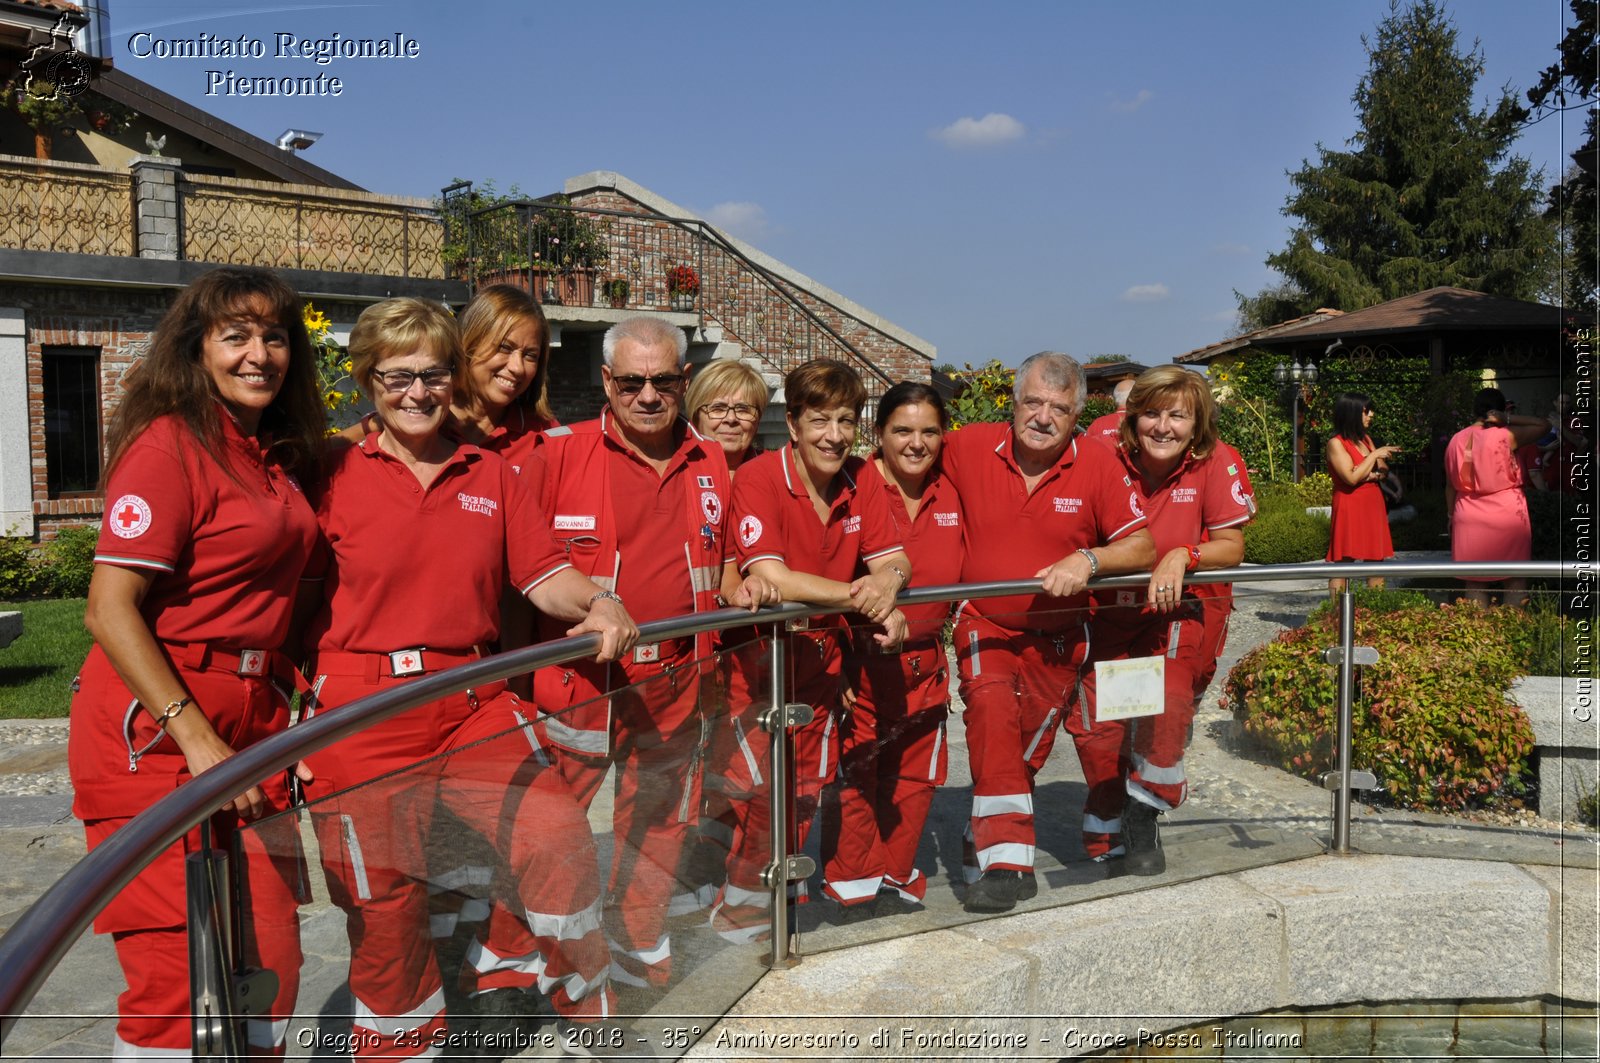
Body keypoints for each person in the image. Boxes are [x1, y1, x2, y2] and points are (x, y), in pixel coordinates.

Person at [298, 298, 637, 1057]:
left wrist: (601, 598)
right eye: (399, 375)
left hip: (470, 695)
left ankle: (595, 1020)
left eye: (434, 374)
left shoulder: (488, 470)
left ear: (454, 378)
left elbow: (545, 574)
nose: (418, 391)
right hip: (361, 706)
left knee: (555, 836)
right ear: (367, 379)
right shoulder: (329, 468)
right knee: (385, 907)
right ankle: (401, 1048)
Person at [65, 266, 325, 1056]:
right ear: (197, 348)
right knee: (175, 978)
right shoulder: (169, 445)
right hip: (156, 730)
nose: (259, 354)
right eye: (235, 335)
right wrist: (195, 735)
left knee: (268, 959)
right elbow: (108, 606)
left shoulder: (267, 452)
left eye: (274, 336)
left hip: (250, 724)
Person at [513, 318, 777, 993]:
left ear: (683, 381)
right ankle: (514, 970)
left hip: (678, 682)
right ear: (608, 382)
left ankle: (636, 950)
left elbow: (707, 562)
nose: (648, 395)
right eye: (632, 382)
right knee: (544, 836)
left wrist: (741, 584)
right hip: (581, 684)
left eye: (663, 381)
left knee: (658, 824)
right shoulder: (554, 452)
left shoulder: (710, 460)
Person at [941, 351, 1155, 913]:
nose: (1042, 416)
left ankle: (981, 842)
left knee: (1023, 752)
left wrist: (1088, 559)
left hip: (1060, 638)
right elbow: (899, 464)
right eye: (1032, 402)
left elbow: (1143, 545)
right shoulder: (966, 446)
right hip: (985, 624)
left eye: (1058, 408)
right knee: (991, 717)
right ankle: (1009, 865)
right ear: (1012, 404)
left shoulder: (1100, 465)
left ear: (1077, 413)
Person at [710, 358, 914, 940]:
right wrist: (864, 598)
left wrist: (886, 586)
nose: (834, 435)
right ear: (793, 423)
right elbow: (776, 574)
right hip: (759, 665)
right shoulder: (758, 477)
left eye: (846, 420)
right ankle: (740, 914)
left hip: (821, 665)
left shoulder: (863, 477)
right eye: (819, 419)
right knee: (754, 792)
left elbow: (895, 558)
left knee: (801, 792)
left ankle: (770, 909)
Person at [1077, 366, 1253, 874]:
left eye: (1177, 415)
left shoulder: (1217, 460)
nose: (1163, 426)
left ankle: (1145, 809)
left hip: (1177, 611)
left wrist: (1183, 554)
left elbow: (1232, 546)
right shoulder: (1102, 452)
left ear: (1196, 424)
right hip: (1107, 612)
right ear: (1132, 417)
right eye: (1151, 413)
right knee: (1103, 724)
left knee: (1168, 706)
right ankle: (1110, 804)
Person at [821, 381, 963, 917]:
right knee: (859, 777)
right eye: (902, 430)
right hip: (861, 664)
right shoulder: (850, 484)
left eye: (929, 431)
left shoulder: (951, 488)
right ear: (877, 435)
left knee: (917, 778)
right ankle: (852, 887)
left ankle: (895, 875)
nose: (916, 442)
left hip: (926, 663)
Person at [1444, 388, 1550, 607]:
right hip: (1506, 512)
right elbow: (1544, 425)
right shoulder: (1506, 435)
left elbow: (1449, 487)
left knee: (1474, 581)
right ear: (1500, 410)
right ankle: (1512, 633)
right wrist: (1508, 419)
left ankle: (1479, 638)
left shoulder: (1455, 440)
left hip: (1467, 512)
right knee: (1515, 577)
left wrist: (1450, 515)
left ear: (1474, 410)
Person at [1324, 393, 1399, 596]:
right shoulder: (1336, 443)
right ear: (1352, 413)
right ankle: (1336, 615)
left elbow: (1382, 471)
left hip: (1372, 503)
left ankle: (1374, 611)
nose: (1371, 415)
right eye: (1366, 411)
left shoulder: (1365, 439)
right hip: (1350, 504)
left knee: (1376, 559)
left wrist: (1370, 470)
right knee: (1343, 561)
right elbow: (1350, 478)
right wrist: (1373, 456)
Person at [685, 358, 770, 473]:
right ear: (696, 417)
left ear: (758, 419)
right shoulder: (679, 473)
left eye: (743, 409)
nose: (731, 419)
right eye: (718, 408)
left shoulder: (775, 473)